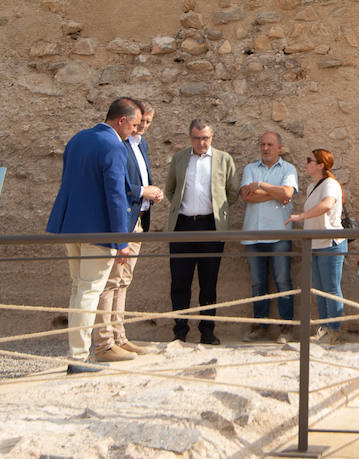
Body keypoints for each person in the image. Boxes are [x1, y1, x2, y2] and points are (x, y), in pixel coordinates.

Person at [46, 97, 140, 373]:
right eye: (133, 125)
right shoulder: (113, 145)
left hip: (71, 226)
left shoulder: (78, 139)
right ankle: (78, 358)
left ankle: (78, 353)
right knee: (89, 291)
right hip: (98, 230)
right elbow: (115, 194)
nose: (134, 131)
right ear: (121, 120)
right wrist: (121, 240)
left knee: (79, 289)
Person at [92, 99, 163, 360]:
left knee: (123, 281)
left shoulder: (140, 144)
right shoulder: (117, 144)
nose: (143, 127)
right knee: (110, 281)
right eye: (140, 121)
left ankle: (119, 337)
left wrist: (151, 192)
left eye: (147, 123)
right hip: (122, 220)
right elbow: (116, 186)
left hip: (139, 219)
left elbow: (139, 179)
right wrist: (142, 191)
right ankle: (104, 342)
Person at [160, 119, 239, 345]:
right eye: (197, 138)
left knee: (208, 282)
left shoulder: (224, 159)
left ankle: (207, 331)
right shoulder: (180, 158)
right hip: (182, 227)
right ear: (190, 137)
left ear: (212, 137)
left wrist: (215, 210)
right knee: (179, 282)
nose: (202, 142)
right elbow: (170, 189)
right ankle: (179, 332)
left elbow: (232, 192)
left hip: (211, 227)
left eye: (206, 138)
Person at [239, 131, 299, 341]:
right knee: (257, 283)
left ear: (279, 148)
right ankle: (260, 326)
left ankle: (286, 327)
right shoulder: (250, 168)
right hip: (253, 234)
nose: (265, 148)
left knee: (283, 281)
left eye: (270, 145)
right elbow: (246, 197)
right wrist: (275, 192)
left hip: (279, 234)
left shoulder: (288, 169)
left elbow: (287, 194)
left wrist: (261, 186)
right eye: (263, 144)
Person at [287, 149, 345, 342]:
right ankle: (324, 329)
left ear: (321, 165)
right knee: (319, 289)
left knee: (331, 288)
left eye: (309, 160)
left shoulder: (330, 184)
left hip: (330, 243)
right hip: (316, 244)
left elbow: (327, 205)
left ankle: (334, 330)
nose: (306, 163)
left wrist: (301, 216)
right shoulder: (312, 186)